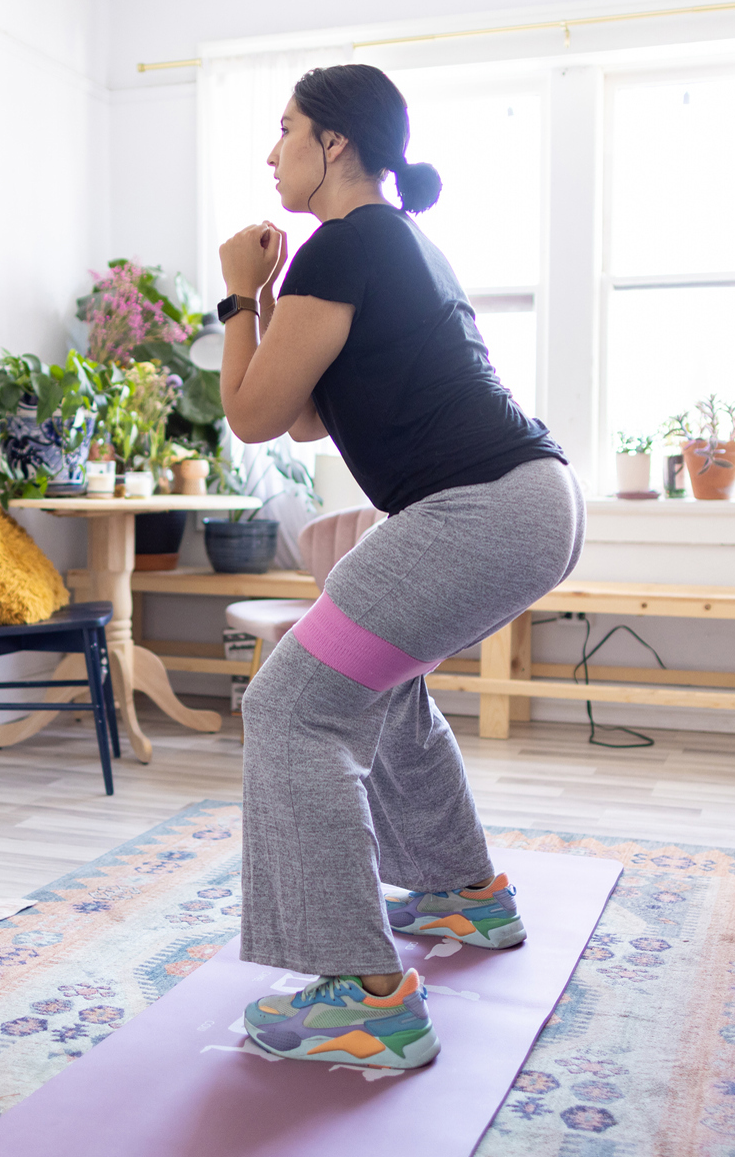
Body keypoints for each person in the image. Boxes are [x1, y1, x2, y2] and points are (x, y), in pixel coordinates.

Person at [214, 63, 584, 1069]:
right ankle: (461, 892)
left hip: (483, 505)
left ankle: (363, 994)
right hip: (524, 501)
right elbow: (293, 411)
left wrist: (235, 295)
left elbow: (245, 415)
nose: (270, 150)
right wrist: (264, 301)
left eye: (283, 127)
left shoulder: (349, 241)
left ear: (333, 142)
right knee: (375, 682)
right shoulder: (379, 245)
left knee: (289, 707)